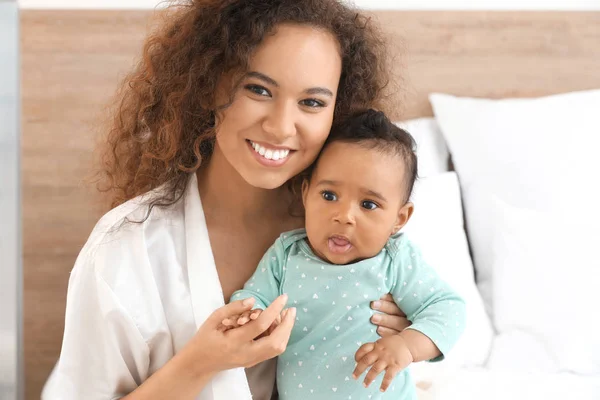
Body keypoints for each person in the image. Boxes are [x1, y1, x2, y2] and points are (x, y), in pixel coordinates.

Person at [41, 1, 413, 400]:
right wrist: (201, 361)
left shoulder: (361, 231)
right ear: (208, 85)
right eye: (258, 89)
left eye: (312, 102)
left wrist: (410, 333)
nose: (281, 126)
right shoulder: (127, 249)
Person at [227, 110, 466, 399]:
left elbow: (448, 309)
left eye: (368, 204)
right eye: (329, 196)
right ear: (306, 194)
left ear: (399, 219)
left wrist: (407, 345)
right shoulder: (287, 254)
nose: (344, 216)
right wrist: (250, 317)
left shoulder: (395, 260)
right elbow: (254, 297)